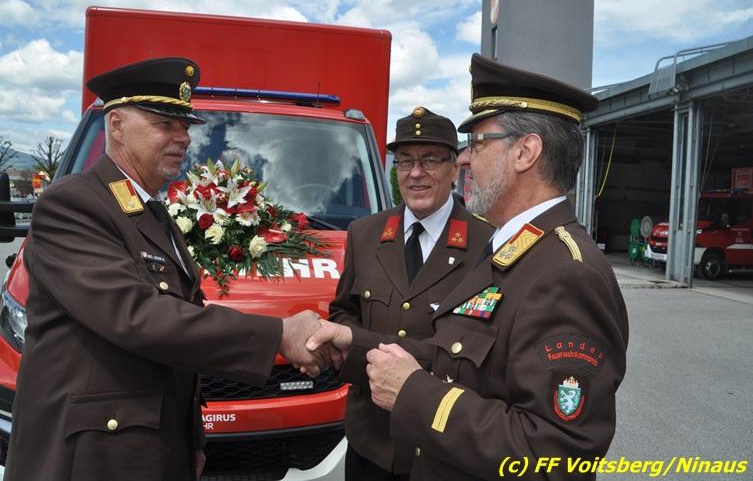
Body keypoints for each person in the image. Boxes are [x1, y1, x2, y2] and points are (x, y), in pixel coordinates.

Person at [4, 57, 331, 481]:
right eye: (165, 124)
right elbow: (138, 316)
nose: (183, 138)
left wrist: (189, 440)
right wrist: (280, 335)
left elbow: (179, 346)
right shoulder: (73, 203)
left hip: (146, 448)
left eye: (186, 125)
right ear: (116, 125)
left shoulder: (151, 211)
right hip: (93, 458)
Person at [309, 54, 629, 481]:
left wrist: (412, 393)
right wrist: (354, 340)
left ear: (525, 152)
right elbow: (457, 359)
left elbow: (558, 454)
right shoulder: (515, 250)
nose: (464, 160)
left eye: (477, 143)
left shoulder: (567, 273)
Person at [329, 107, 493, 480]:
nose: (416, 173)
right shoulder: (365, 233)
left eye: (430, 160)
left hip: (442, 446)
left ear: (454, 168)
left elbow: (482, 346)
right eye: (405, 161)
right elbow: (343, 313)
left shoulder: (488, 243)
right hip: (371, 440)